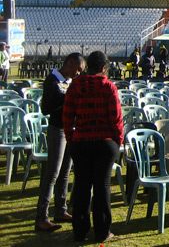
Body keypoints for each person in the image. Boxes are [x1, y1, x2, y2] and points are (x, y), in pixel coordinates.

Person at [63, 51, 123, 243]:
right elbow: (116, 118)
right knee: (102, 186)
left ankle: (79, 230)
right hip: (104, 142)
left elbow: (67, 115)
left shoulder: (76, 85)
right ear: (104, 68)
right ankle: (102, 230)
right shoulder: (108, 86)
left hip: (81, 141)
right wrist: (117, 140)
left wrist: (71, 137)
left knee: (81, 185)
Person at [35, 53, 85, 232]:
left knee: (65, 172)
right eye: (77, 69)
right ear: (70, 64)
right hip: (57, 129)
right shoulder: (53, 80)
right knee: (52, 174)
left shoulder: (69, 81)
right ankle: (41, 216)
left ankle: (61, 209)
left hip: (70, 129)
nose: (78, 74)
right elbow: (46, 108)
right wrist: (67, 98)